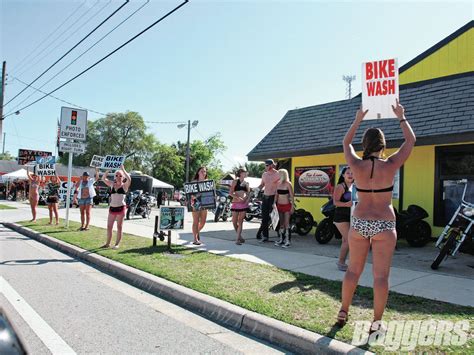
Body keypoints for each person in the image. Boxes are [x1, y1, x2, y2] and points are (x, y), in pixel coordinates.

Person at [337, 100, 415, 332]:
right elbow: (411, 141)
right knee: (380, 277)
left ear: (366, 144)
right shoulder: (391, 164)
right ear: (382, 145)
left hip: (360, 222)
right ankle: (377, 322)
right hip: (384, 223)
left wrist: (358, 119)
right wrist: (401, 116)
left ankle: (343, 310)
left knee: (353, 270)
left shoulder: (356, 164)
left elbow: (345, 142)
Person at [101, 166, 131, 249]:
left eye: (120, 176)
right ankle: (107, 243)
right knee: (109, 226)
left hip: (121, 208)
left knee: (119, 227)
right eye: (117, 175)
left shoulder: (124, 186)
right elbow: (103, 178)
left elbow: (129, 179)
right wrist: (108, 170)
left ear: (123, 177)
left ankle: (117, 244)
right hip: (112, 208)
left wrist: (123, 170)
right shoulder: (112, 184)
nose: (118, 177)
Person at [333, 167, 354, 271]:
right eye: (348, 173)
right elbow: (335, 202)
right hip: (341, 216)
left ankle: (345, 262)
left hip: (352, 215)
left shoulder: (356, 186)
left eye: (352, 173)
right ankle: (341, 262)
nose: (350, 175)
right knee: (348, 239)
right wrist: (346, 204)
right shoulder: (340, 187)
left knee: (347, 240)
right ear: (343, 175)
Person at [256, 159, 280, 242]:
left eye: (266, 165)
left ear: (271, 165)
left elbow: (280, 185)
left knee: (275, 216)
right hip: (265, 197)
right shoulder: (264, 174)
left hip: (274, 197)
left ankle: (280, 234)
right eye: (265, 165)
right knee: (264, 218)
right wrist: (257, 189)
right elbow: (262, 184)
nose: (265, 167)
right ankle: (265, 236)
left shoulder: (278, 174)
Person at [273, 169, 295, 248]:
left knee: (286, 223)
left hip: (287, 205)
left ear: (283, 175)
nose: (278, 175)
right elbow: (276, 195)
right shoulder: (278, 183)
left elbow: (292, 196)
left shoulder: (288, 184)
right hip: (279, 205)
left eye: (279, 174)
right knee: (281, 223)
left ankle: (287, 241)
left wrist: (292, 206)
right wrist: (274, 203)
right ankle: (281, 239)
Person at [230, 168, 251, 245]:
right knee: (234, 221)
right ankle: (240, 237)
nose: (246, 173)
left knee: (240, 221)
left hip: (243, 204)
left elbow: (249, 193)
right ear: (241, 173)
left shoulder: (246, 183)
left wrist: (247, 200)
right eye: (245, 172)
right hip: (236, 203)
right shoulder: (235, 181)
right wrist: (237, 197)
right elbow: (230, 192)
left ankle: (237, 239)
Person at [191, 166, 208, 245]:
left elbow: (211, 192)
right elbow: (191, 195)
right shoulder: (194, 182)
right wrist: (198, 195)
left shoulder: (207, 182)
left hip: (205, 203)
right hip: (196, 203)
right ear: (198, 172)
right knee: (196, 221)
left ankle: (196, 232)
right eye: (202, 171)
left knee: (203, 222)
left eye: (204, 171)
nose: (203, 173)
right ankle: (195, 239)